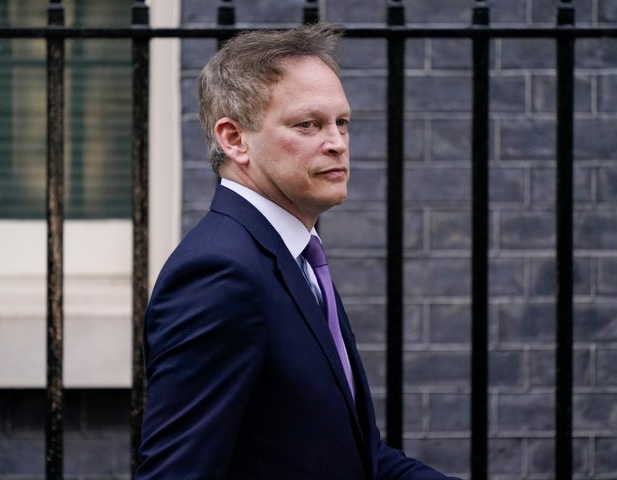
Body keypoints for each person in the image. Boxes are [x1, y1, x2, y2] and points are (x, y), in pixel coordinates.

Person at [136, 22, 460, 480]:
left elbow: (357, 459)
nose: (337, 143)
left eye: (341, 123)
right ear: (234, 139)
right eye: (308, 124)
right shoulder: (221, 273)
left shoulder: (296, 256)